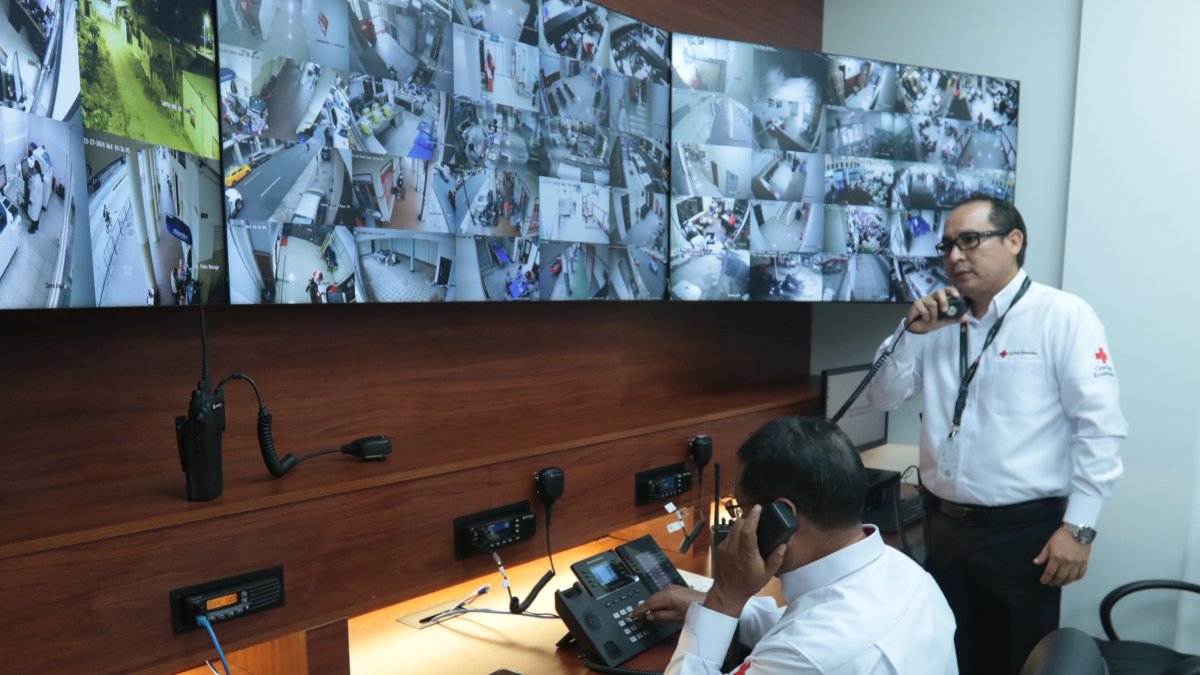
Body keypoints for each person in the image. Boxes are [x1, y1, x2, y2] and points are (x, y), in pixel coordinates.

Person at [865, 195, 1127, 675]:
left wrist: (1079, 528)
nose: (954, 256)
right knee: (943, 657)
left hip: (1023, 537)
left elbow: (1101, 429)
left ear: (1013, 241)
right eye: (946, 247)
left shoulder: (1062, 315)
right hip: (942, 528)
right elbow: (881, 397)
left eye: (969, 241)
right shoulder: (939, 320)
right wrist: (908, 333)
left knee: (1014, 661)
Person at [632, 416, 957, 675]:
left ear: (781, 517)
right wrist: (712, 610)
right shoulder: (910, 576)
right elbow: (804, 619)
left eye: (740, 511)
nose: (738, 523)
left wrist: (722, 600)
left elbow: (805, 645)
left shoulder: (804, 657)